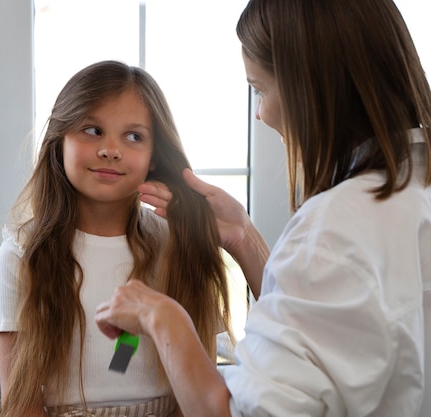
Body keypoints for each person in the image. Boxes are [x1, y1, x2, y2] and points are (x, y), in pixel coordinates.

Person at [95, 0, 431, 416]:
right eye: (92, 131)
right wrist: (243, 236)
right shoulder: (405, 196)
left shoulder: (338, 225)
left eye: (260, 89)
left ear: (310, 86)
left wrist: (161, 316)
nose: (260, 113)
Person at [0, 60, 234, 417]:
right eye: (92, 130)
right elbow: (21, 404)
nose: (111, 150)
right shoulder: (22, 254)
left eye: (134, 136)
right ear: (60, 141)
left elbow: (199, 390)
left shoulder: (180, 245)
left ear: (154, 157)